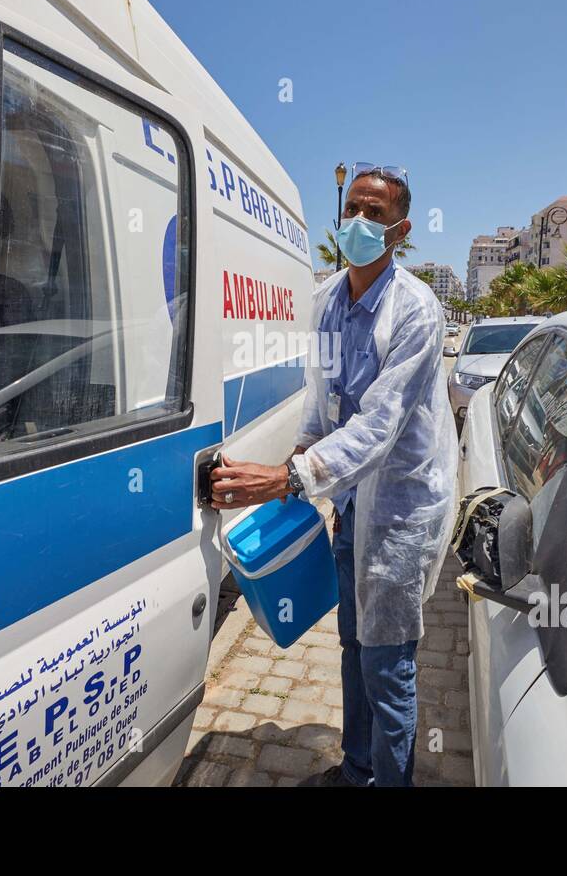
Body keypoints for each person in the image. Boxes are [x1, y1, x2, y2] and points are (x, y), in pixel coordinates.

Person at [211, 164, 457, 787]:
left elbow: (379, 425)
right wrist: (300, 464)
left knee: (388, 665)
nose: (359, 222)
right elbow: (322, 405)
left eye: (375, 214)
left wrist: (287, 479)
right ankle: (356, 770)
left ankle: (389, 780)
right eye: (353, 208)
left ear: (399, 230)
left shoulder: (416, 312)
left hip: (400, 513)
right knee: (352, 647)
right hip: (350, 509)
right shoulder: (326, 301)